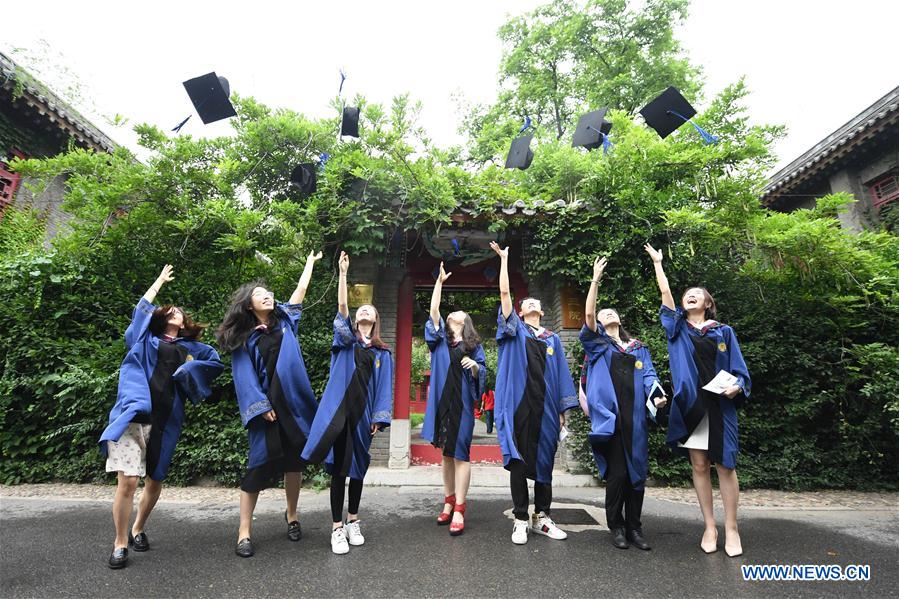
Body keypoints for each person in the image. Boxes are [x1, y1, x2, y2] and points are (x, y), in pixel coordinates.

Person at [100, 264, 224, 569]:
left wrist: (188, 370)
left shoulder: (190, 348)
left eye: (178, 311)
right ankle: (119, 543)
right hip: (133, 417)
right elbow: (139, 316)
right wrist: (158, 282)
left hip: (167, 422)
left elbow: (214, 362)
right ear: (160, 317)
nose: (175, 313)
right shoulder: (144, 342)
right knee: (128, 482)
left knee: (155, 481)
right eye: (169, 310)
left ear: (183, 323)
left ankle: (138, 527)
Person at [645, 243, 751, 557]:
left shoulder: (724, 332)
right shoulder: (676, 329)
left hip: (720, 406)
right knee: (700, 465)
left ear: (707, 302)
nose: (691, 295)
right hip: (692, 405)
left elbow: (740, 372)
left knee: (726, 465)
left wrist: (738, 387)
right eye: (686, 294)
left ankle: (731, 528)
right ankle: (709, 526)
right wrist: (658, 264)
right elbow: (665, 298)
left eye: (697, 293)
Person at [216, 251, 322, 558]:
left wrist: (310, 264)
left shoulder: (286, 322)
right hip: (266, 409)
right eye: (261, 295)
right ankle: (244, 531)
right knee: (257, 468)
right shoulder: (243, 338)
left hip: (291, 406)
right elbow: (244, 376)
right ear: (249, 304)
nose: (268, 297)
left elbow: (299, 294)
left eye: (270, 294)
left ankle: (292, 515)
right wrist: (260, 407)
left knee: (294, 464)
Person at [301, 252, 393, 555]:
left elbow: (382, 388)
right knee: (340, 470)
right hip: (341, 414)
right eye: (361, 310)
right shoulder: (345, 341)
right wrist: (343, 275)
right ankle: (336, 527)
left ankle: (353, 519)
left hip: (363, 416)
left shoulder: (382, 353)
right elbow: (341, 308)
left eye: (370, 310)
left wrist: (379, 417)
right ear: (356, 319)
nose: (365, 312)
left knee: (359, 469)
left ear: (375, 320)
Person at [489, 241, 579, 545]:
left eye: (533, 304)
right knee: (517, 460)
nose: (529, 306)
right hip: (518, 405)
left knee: (544, 462)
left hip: (546, 407)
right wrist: (504, 260)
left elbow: (561, 376)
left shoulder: (552, 339)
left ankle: (542, 516)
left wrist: (563, 410)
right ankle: (519, 518)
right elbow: (504, 295)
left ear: (541, 311)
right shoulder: (514, 331)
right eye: (524, 304)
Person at [579, 256, 668, 550]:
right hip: (610, 419)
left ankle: (635, 527)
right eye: (604, 313)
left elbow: (650, 376)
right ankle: (616, 526)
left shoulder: (638, 348)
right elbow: (589, 315)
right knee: (617, 475)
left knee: (637, 474)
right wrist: (595, 279)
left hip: (636, 419)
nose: (608, 314)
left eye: (611, 311)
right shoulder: (598, 346)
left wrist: (657, 395)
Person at [421, 262, 487, 536]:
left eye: (458, 313)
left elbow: (483, 371)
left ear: (466, 320)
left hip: (462, 405)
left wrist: (474, 366)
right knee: (446, 457)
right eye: (450, 314)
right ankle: (448, 502)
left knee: (461, 455)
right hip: (442, 405)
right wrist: (438, 282)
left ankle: (460, 507)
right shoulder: (438, 340)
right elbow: (434, 310)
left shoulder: (474, 345)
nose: (452, 314)